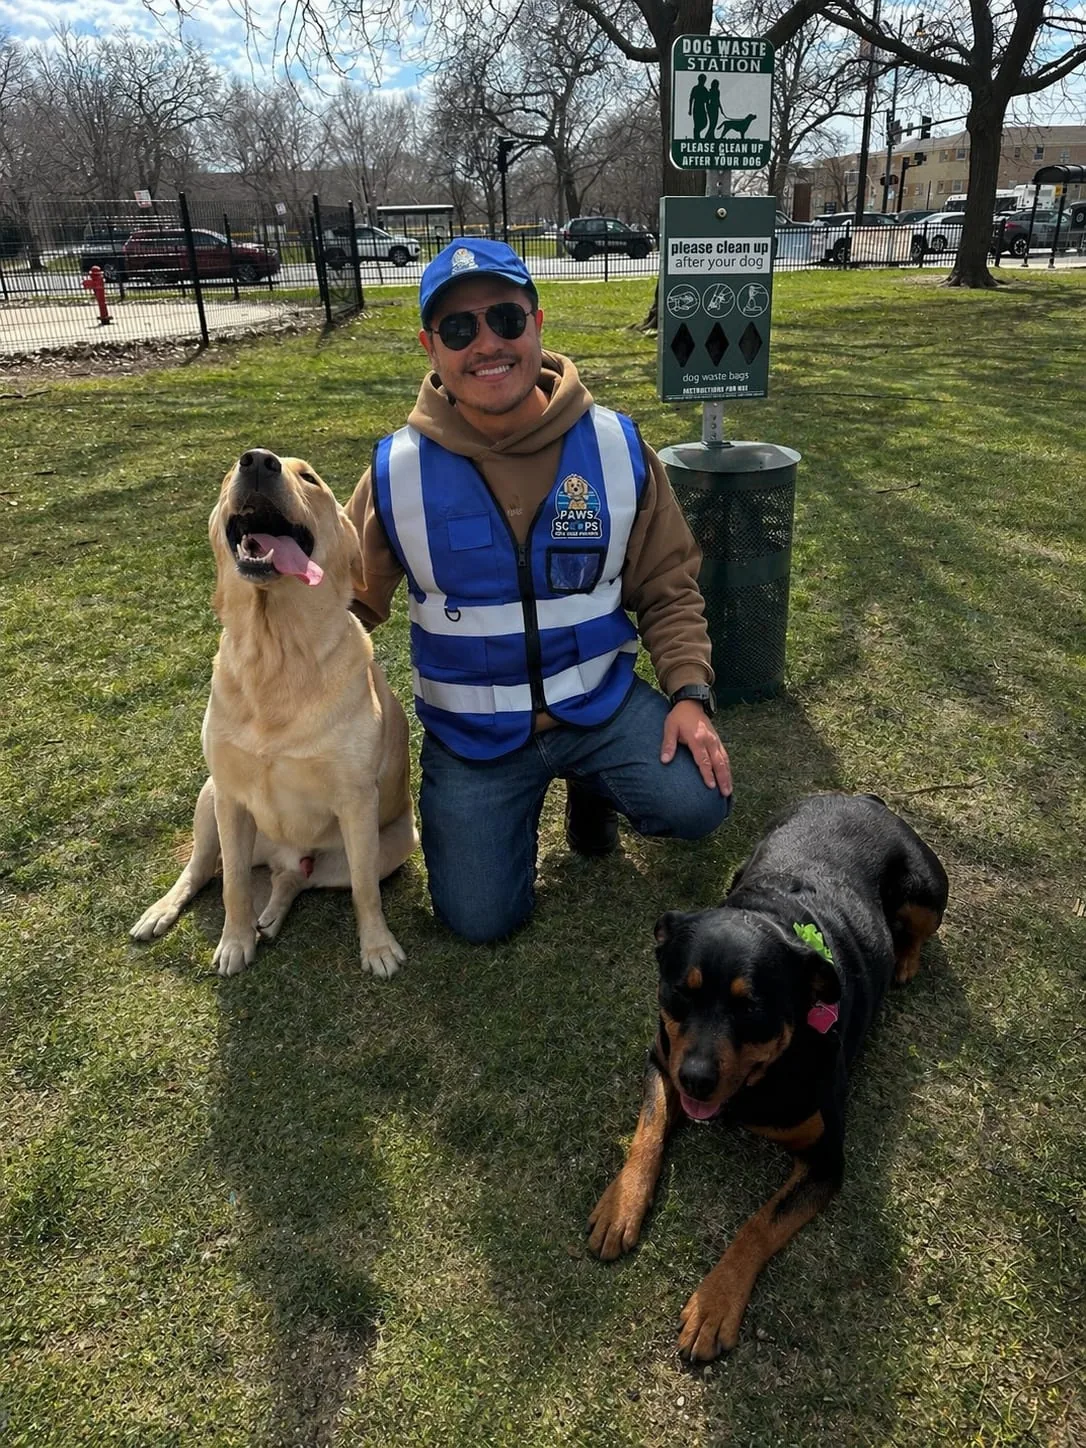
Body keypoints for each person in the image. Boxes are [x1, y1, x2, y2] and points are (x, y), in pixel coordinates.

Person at [347, 238, 732, 944]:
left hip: (600, 709)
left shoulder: (616, 446)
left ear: (538, 323)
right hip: (473, 740)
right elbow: (343, 610)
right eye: (460, 329)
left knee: (698, 802)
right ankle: (505, 813)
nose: (487, 343)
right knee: (479, 920)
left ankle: (593, 789)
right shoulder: (396, 471)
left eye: (505, 319)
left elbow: (668, 585)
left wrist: (689, 695)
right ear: (430, 347)